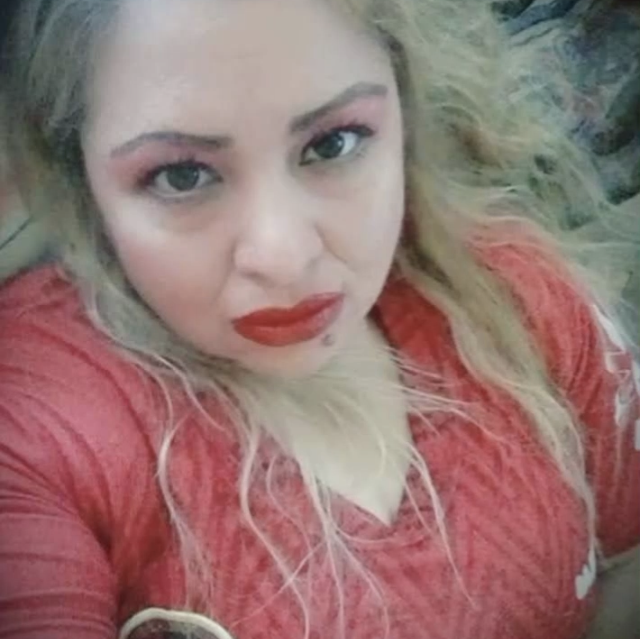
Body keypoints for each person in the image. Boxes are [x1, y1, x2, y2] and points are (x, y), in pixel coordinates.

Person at [0, 0, 638, 638]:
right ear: (81, 180)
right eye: (182, 176)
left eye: (333, 143)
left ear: (405, 112)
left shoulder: (511, 295)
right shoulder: (39, 419)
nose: (285, 258)